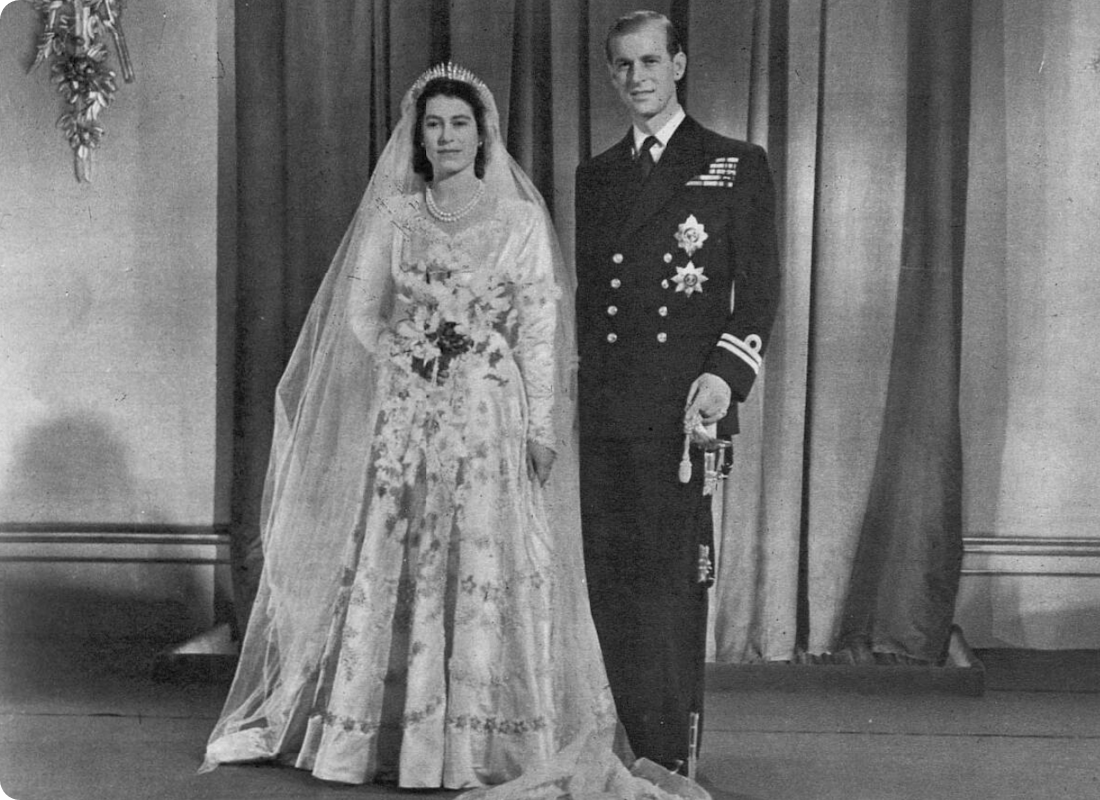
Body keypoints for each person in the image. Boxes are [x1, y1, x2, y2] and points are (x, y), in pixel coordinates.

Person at [201, 63, 709, 800]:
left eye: (458, 124)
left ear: (482, 134)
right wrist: (404, 356)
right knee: (402, 562)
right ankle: (392, 738)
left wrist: (540, 428)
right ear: (418, 134)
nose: (445, 137)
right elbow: (359, 311)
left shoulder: (518, 221)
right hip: (410, 419)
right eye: (433, 124)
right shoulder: (396, 217)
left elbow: (538, 328)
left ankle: (478, 745)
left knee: (482, 565)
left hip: (489, 419)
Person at [575, 11, 781, 776]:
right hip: (606, 412)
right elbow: (590, 306)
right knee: (611, 580)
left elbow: (758, 292)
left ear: (680, 64)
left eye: (651, 62)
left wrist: (724, 379)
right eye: (623, 66)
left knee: (668, 589)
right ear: (612, 75)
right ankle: (636, 752)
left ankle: (670, 757)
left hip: (683, 413)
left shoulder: (732, 162)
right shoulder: (594, 177)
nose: (638, 78)